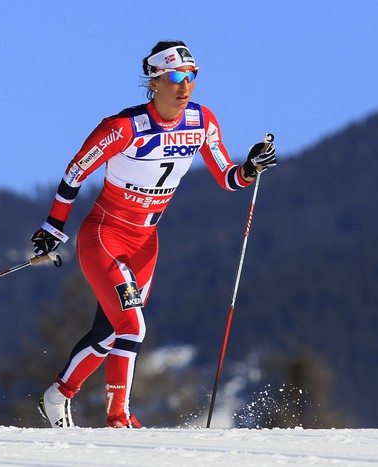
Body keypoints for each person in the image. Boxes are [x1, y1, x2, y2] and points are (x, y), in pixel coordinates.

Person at [31, 40, 277, 429]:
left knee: (111, 332)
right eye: (176, 77)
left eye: (192, 76)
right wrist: (52, 227)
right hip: (104, 236)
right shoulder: (123, 127)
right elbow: (75, 172)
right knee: (133, 326)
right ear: (154, 81)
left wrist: (249, 167)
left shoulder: (202, 122)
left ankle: (58, 394)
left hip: (145, 244)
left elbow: (227, 178)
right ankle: (119, 419)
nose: (185, 86)